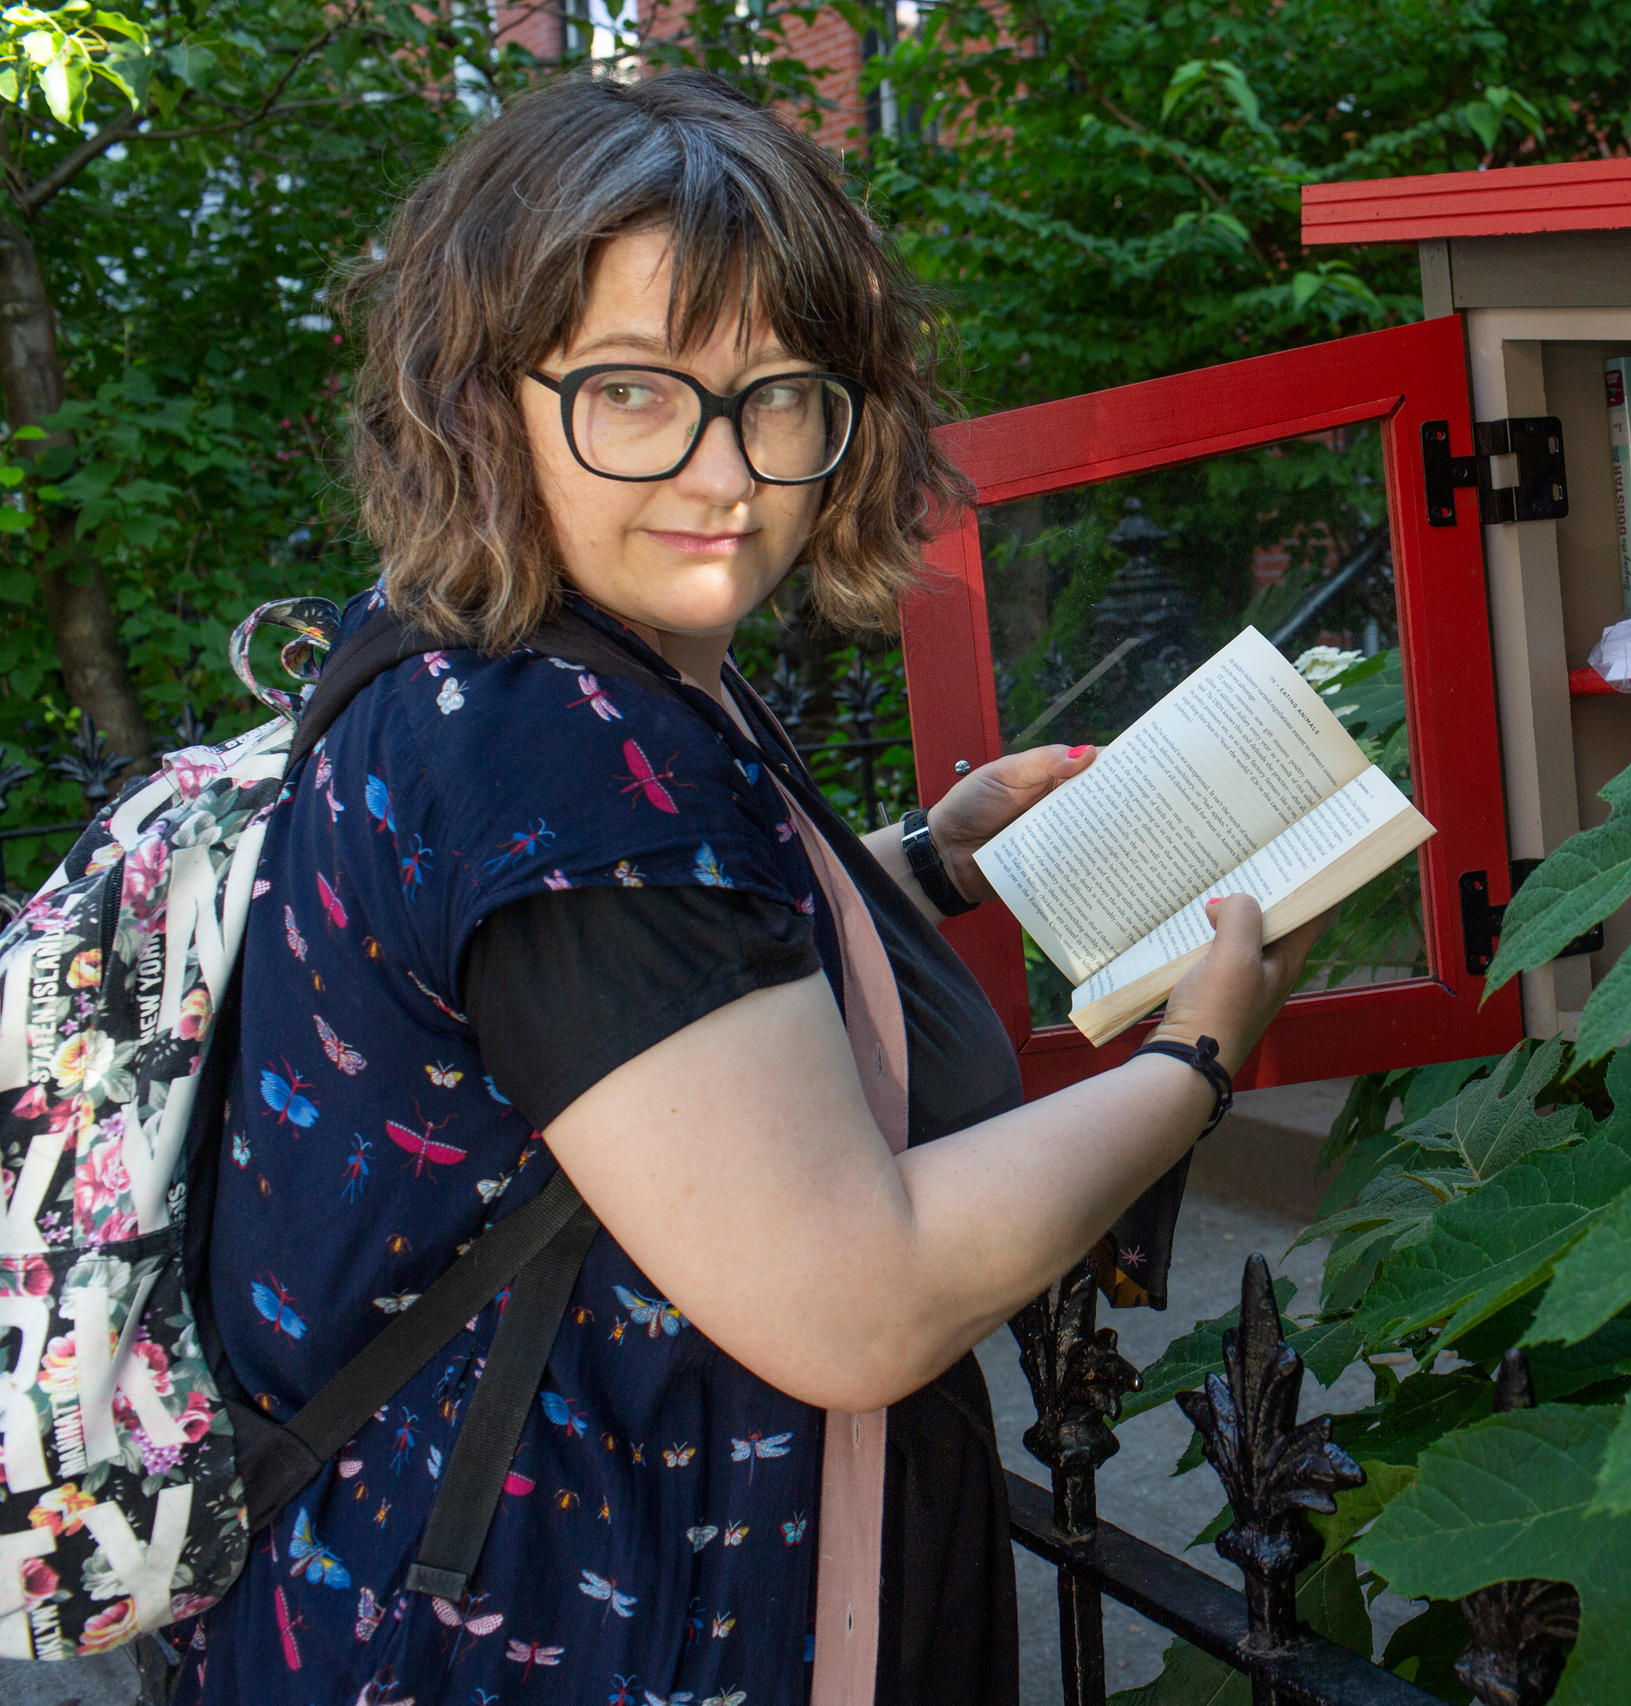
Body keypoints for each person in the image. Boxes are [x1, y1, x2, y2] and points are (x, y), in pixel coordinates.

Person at [173, 68, 1327, 1706]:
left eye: (779, 394)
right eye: (635, 392)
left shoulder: (492, 651)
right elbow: (859, 1301)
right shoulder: (550, 748)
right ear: (480, 394)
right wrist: (1197, 1056)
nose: (725, 473)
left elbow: (634, 1000)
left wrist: (929, 859)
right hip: (581, 1632)